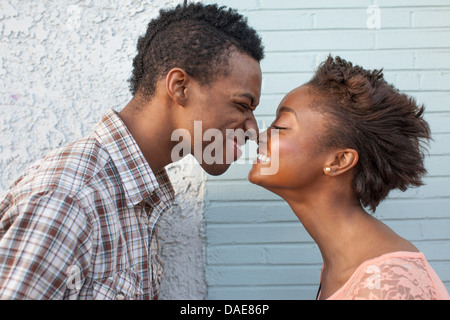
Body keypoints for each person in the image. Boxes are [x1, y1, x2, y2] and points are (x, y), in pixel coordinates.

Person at [0, 2, 263, 299]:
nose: (252, 129)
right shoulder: (72, 197)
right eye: (242, 105)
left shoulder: (137, 193)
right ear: (180, 87)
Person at [249, 56, 450, 300]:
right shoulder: (341, 265)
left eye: (280, 127)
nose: (258, 136)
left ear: (339, 161)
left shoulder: (387, 285)